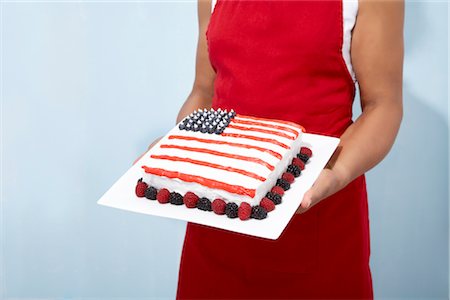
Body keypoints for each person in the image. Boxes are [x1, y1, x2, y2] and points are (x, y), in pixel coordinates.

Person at [140, 0, 404, 298]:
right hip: (218, 223)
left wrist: (336, 172)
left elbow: (384, 104)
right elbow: (204, 90)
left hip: (317, 219)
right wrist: (176, 149)